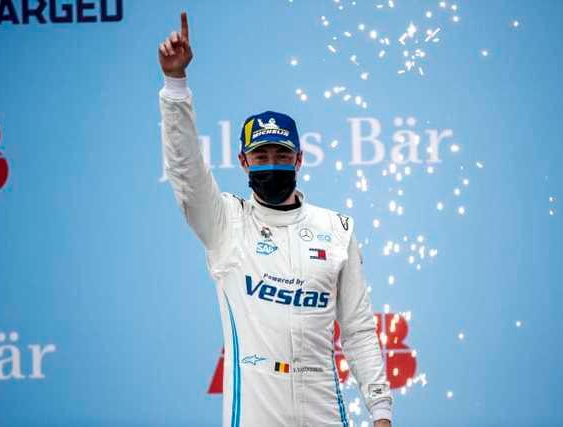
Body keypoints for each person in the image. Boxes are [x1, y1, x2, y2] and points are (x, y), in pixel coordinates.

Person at [158, 12, 393, 427]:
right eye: (261, 155)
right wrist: (175, 86)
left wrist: (381, 411)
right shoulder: (227, 223)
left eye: (282, 155)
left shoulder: (336, 230)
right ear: (243, 161)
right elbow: (186, 170)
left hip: (325, 413)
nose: (272, 163)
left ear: (299, 160)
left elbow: (357, 329)